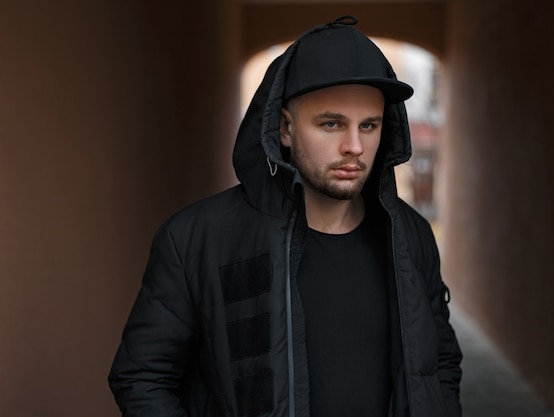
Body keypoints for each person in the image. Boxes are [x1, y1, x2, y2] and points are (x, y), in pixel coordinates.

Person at [109, 15, 462, 417]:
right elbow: (142, 377)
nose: (354, 146)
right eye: (331, 124)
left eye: (369, 125)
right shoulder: (196, 238)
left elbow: (440, 365)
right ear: (285, 129)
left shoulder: (409, 235)